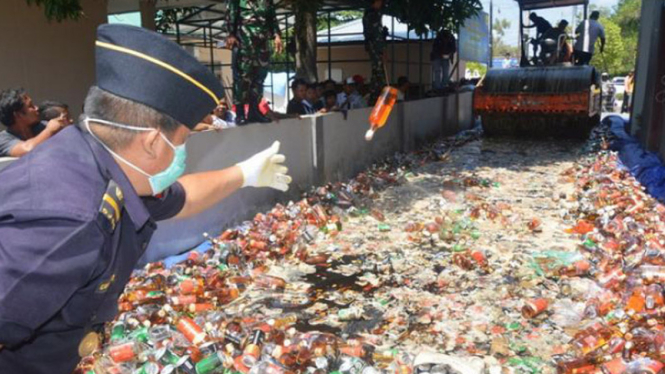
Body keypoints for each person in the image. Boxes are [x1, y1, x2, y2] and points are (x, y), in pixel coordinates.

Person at [0, 24, 292, 373]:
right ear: (153, 142)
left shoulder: (96, 159)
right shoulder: (70, 221)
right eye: (181, 141)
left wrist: (244, 173)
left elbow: (181, 197)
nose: (181, 152)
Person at [224, 0, 283, 125]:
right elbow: (230, 14)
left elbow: (271, 16)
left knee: (259, 77)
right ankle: (240, 114)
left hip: (263, 42)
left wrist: (277, 35)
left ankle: (254, 111)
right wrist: (231, 34)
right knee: (242, 77)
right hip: (244, 41)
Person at [0, 89, 71, 158]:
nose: (36, 108)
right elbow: (27, 150)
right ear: (18, 115)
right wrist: (50, 131)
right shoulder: (4, 139)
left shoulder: (42, 126)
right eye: (30, 106)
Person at [363, 0, 389, 105]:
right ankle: (376, 96)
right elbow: (375, 34)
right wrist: (382, 50)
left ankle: (376, 95)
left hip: (375, 45)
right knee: (379, 71)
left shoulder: (373, 14)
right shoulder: (372, 14)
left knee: (378, 71)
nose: (381, 4)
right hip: (375, 46)